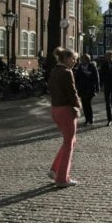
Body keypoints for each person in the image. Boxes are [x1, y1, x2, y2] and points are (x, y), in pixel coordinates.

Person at [48, 47, 82, 187]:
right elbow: (72, 92)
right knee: (69, 144)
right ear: (66, 58)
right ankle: (62, 178)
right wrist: (78, 106)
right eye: (73, 58)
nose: (74, 61)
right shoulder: (67, 72)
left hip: (55, 109)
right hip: (66, 110)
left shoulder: (54, 71)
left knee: (70, 141)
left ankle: (55, 169)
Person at [74, 54, 100, 125]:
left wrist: (97, 88)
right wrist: (75, 85)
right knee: (84, 104)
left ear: (88, 59)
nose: (82, 60)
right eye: (82, 59)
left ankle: (90, 118)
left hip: (90, 88)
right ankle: (86, 119)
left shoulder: (92, 66)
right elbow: (77, 77)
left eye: (84, 59)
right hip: (82, 88)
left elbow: (96, 77)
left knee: (88, 103)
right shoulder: (80, 67)